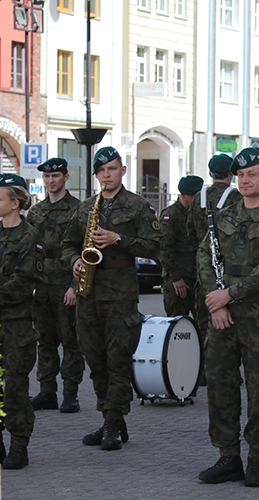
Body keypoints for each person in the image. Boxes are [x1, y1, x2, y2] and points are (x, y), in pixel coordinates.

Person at [196, 147, 259, 487]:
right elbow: (206, 260)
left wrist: (231, 293)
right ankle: (228, 456)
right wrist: (218, 303)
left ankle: (257, 459)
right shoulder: (224, 217)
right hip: (223, 318)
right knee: (221, 389)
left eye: (252, 174)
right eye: (240, 175)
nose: (244, 180)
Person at [61, 147, 161, 450]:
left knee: (117, 360)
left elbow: (155, 247)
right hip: (88, 295)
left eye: (113, 169)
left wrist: (119, 239)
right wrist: (74, 261)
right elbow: (67, 244)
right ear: (96, 174)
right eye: (102, 171)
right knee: (96, 360)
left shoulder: (139, 206)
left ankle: (114, 423)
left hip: (120, 297)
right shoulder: (85, 208)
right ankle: (109, 418)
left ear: (123, 170)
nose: (107, 175)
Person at [0, 174, 42, 469]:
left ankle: (19, 446)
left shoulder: (31, 236)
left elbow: (26, 281)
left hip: (17, 324)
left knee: (14, 387)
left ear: (15, 203)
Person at [26, 158, 84, 414]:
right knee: (45, 341)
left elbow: (85, 251)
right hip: (42, 287)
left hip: (66, 285)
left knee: (71, 341)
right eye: (47, 177)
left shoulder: (77, 209)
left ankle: (70, 394)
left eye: (55, 176)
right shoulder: (36, 212)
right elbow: (29, 250)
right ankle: (47, 392)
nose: (50, 181)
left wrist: (75, 286)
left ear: (65, 177)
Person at [188, 155, 244, 371]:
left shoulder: (197, 198)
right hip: (228, 270)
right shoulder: (236, 196)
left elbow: (190, 231)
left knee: (204, 321)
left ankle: (203, 369)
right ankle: (230, 369)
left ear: (210, 174)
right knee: (229, 323)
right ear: (231, 175)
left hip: (203, 271)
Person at [161, 175, 205, 318]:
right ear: (183, 195)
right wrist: (175, 278)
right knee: (177, 326)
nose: (196, 200)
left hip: (197, 278)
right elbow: (164, 250)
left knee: (203, 326)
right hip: (179, 280)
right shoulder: (170, 215)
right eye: (193, 196)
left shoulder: (200, 214)